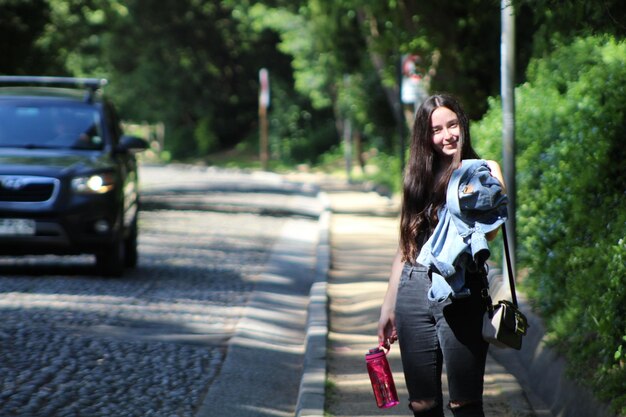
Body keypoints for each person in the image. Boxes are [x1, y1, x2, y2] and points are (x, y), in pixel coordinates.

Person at [377, 93, 507, 417]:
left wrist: (478, 190)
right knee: (422, 404)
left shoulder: (483, 171)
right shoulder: (417, 178)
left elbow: (491, 232)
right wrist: (388, 305)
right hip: (413, 289)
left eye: (452, 125)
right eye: (437, 129)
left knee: (465, 403)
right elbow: (406, 246)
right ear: (426, 136)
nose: (447, 135)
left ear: (462, 125)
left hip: (461, 292)